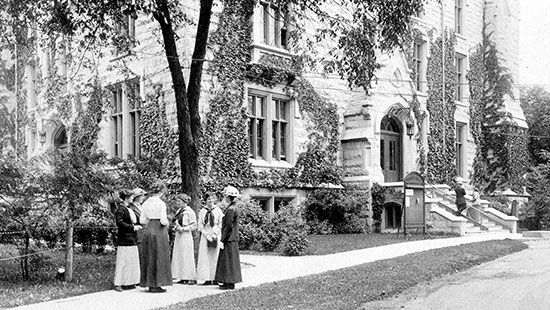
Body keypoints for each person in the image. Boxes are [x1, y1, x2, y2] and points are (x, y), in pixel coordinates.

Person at [139, 182, 172, 293]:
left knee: (149, 256)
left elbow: (142, 220)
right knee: (159, 256)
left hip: (149, 230)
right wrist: (167, 223)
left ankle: (149, 283)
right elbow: (163, 220)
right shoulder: (161, 203)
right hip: (159, 230)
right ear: (162, 191)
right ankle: (157, 284)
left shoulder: (145, 203)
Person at [113, 189, 142, 292]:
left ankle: (129, 282)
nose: (133, 198)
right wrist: (132, 228)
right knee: (123, 261)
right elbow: (119, 223)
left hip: (132, 238)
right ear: (126, 197)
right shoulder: (121, 209)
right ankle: (118, 283)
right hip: (124, 238)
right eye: (131, 196)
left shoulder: (129, 208)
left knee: (131, 260)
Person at [214, 186, 242, 290]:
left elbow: (228, 226)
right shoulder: (233, 207)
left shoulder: (230, 209)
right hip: (232, 237)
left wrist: (223, 239)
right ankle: (228, 282)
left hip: (229, 238)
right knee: (230, 260)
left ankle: (229, 282)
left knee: (228, 260)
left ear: (228, 197)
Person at [196, 193, 224, 285]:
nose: (211, 201)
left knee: (215, 256)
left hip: (215, 234)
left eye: (212, 199)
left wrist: (214, 234)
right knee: (205, 256)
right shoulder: (202, 211)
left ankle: (215, 278)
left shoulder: (218, 210)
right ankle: (207, 278)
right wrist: (206, 235)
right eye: (209, 199)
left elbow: (220, 223)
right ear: (205, 200)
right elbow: (200, 225)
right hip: (205, 234)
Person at [171, 193, 197, 285]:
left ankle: (189, 276)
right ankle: (181, 275)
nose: (178, 203)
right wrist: (175, 227)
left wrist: (184, 229)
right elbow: (175, 221)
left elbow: (194, 225)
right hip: (179, 235)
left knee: (186, 254)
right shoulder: (179, 211)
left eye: (179, 201)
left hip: (186, 235)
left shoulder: (190, 212)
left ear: (184, 202)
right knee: (179, 254)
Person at [129, 188, 147, 252]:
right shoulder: (130, 207)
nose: (143, 197)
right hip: (137, 234)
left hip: (144, 233)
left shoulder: (142, 206)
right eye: (142, 196)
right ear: (136, 197)